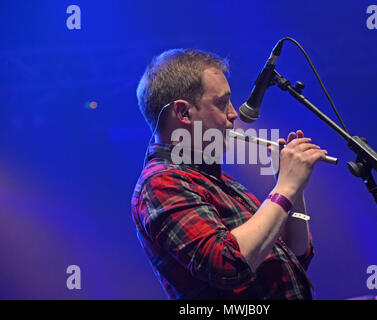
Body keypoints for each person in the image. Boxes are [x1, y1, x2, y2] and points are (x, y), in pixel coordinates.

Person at [131, 48, 328, 299]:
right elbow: (227, 266)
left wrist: (294, 190)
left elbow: (295, 256)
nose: (233, 114)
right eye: (222, 103)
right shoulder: (161, 182)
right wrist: (285, 189)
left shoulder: (218, 181)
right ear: (183, 113)